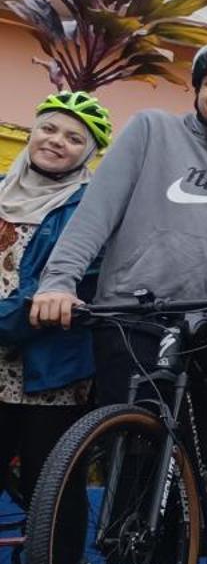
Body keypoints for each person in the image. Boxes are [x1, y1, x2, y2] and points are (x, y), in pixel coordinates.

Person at [30, 43, 207, 411]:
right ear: (196, 91)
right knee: (127, 444)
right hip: (130, 315)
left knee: (190, 454)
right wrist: (58, 283)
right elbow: (95, 214)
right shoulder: (151, 128)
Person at [0, 94, 111, 520]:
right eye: (48, 128)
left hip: (53, 376)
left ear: (89, 153)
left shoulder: (91, 206)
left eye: (73, 138)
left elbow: (77, 281)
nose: (55, 141)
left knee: (52, 500)